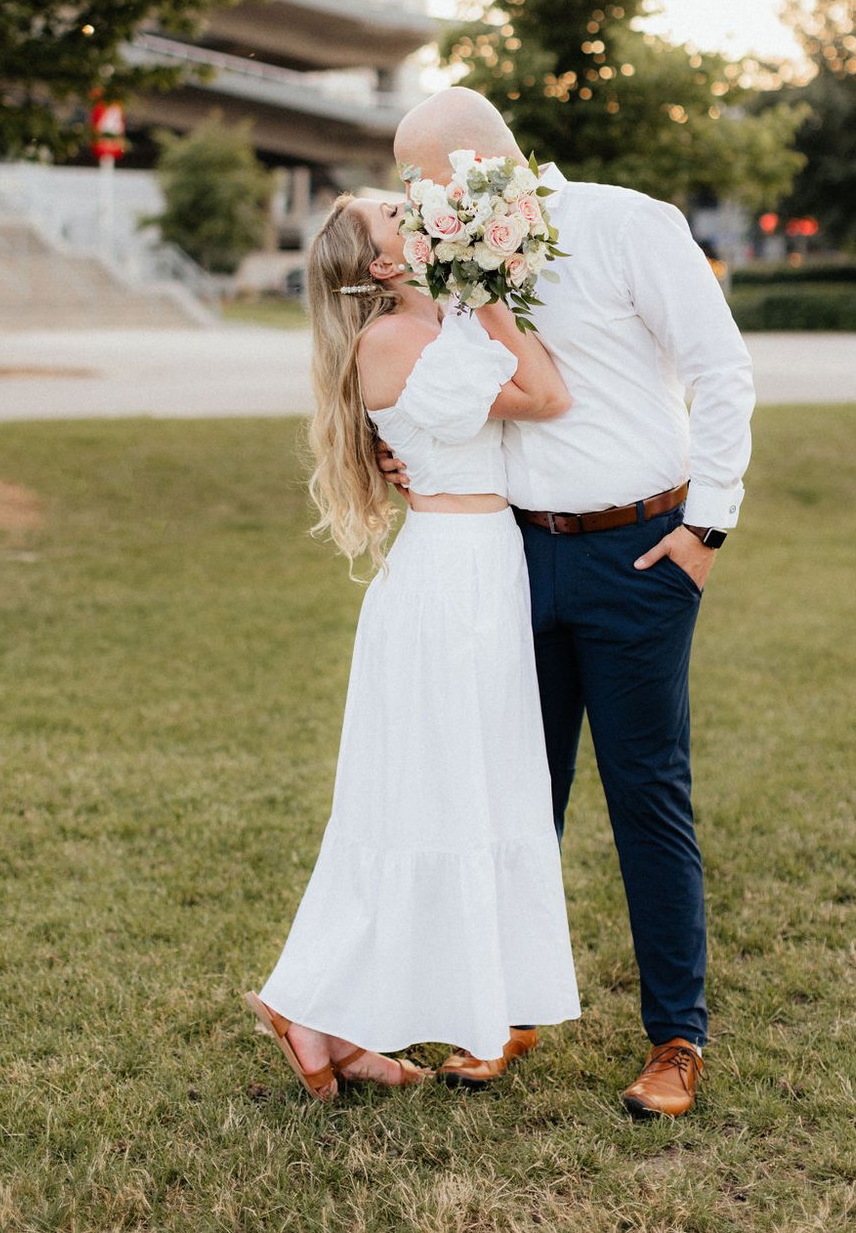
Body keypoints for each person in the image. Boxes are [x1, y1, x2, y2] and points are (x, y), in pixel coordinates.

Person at [382, 87, 756, 1117]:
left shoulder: (629, 223)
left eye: (419, 180)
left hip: (641, 550)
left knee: (645, 795)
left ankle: (675, 1038)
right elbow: (463, 384)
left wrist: (705, 528)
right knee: (511, 792)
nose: (412, 202)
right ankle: (506, 1007)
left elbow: (722, 371)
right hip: (510, 553)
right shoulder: (452, 262)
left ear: (466, 166)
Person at [244, 192, 581, 1100]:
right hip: (451, 582)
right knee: (417, 802)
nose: (416, 205)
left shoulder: (432, 325)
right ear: (387, 266)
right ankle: (312, 1005)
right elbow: (545, 394)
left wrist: (474, 292)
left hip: (480, 567)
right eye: (397, 211)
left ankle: (331, 1024)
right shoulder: (395, 337)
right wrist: (492, 278)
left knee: (446, 796)